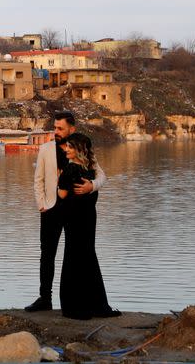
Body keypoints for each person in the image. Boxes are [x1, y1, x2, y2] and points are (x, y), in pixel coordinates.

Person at [24, 111, 107, 312]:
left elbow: (102, 176)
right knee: (47, 254)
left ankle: (80, 299)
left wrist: (92, 186)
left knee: (78, 253)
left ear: (72, 129)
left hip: (75, 212)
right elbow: (38, 180)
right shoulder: (45, 149)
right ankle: (45, 299)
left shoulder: (81, 149)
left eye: (60, 128)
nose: (56, 131)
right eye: (55, 127)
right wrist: (41, 204)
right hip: (51, 208)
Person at [57, 133, 120, 319]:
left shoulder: (87, 168)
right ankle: (85, 306)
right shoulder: (83, 169)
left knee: (79, 257)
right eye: (66, 146)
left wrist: (90, 187)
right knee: (81, 257)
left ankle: (82, 305)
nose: (66, 149)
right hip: (81, 218)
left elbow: (61, 195)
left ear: (80, 150)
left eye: (70, 146)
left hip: (81, 218)